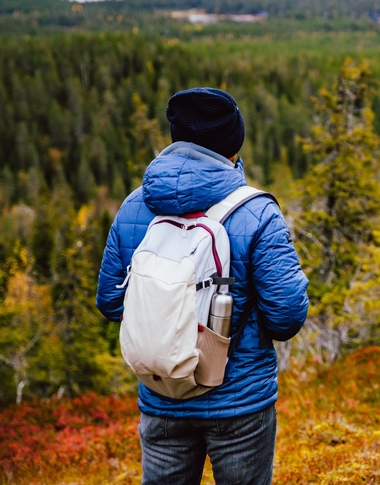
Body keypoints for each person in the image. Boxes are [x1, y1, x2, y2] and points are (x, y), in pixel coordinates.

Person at [96, 87, 309, 485]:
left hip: (162, 396)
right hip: (240, 404)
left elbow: (110, 302)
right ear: (233, 144)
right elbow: (286, 318)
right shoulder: (256, 212)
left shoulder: (134, 206)